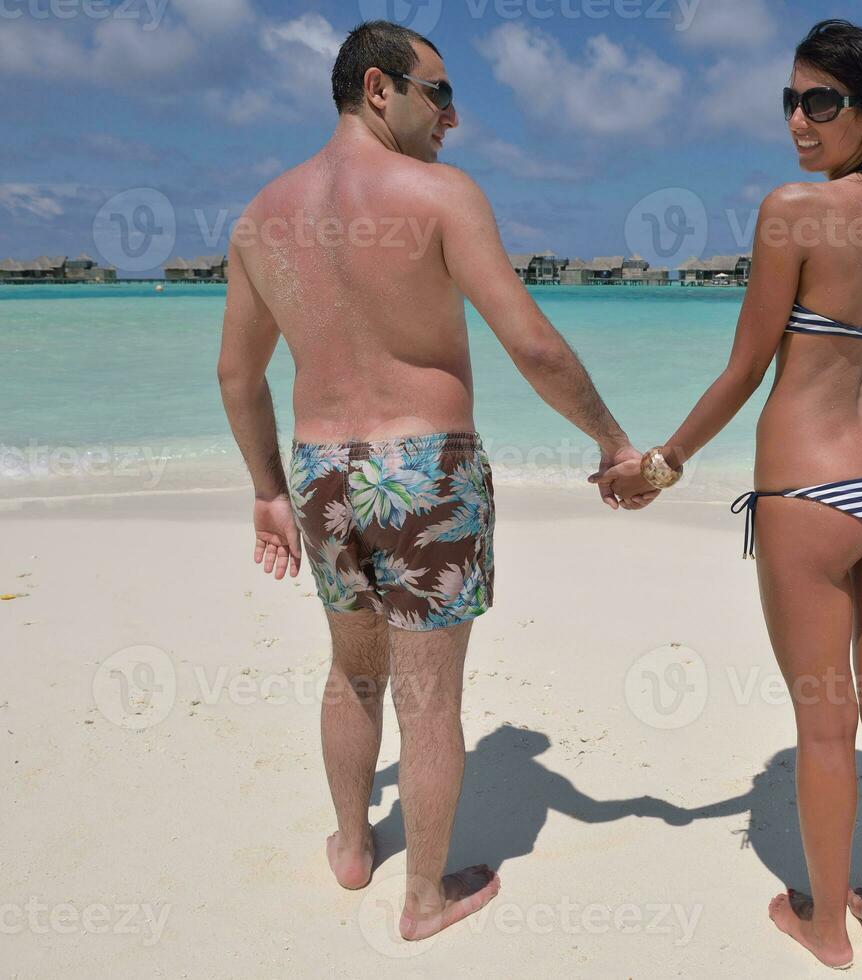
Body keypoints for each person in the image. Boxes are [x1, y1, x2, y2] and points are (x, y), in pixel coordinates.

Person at [217, 20, 648, 943]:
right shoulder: (441, 197)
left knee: (351, 672)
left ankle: (348, 846)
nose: (454, 116)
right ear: (381, 88)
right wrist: (612, 440)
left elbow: (237, 375)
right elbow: (529, 341)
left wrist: (265, 491)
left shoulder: (261, 217)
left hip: (321, 475)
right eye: (440, 93)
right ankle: (423, 899)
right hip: (427, 473)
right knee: (431, 700)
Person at [596, 19, 862, 970]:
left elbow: (746, 368)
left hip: (809, 496)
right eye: (788, 101)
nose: (797, 121)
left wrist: (660, 465)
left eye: (820, 102)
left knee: (824, 728)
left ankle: (826, 925)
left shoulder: (793, 210)